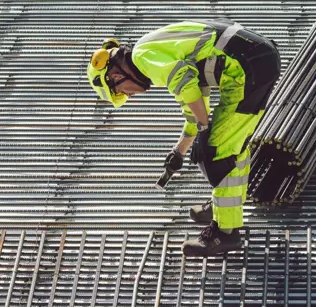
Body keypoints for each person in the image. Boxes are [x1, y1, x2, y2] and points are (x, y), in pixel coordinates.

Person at [86, 18, 280, 256]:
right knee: (231, 146)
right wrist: (180, 150)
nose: (130, 95)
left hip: (248, 67)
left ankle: (225, 234)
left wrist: (203, 130)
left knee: (217, 152)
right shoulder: (149, 51)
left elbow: (186, 86)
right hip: (255, 61)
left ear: (115, 76)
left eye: (121, 91)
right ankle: (223, 206)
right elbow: (194, 97)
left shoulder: (143, 59)